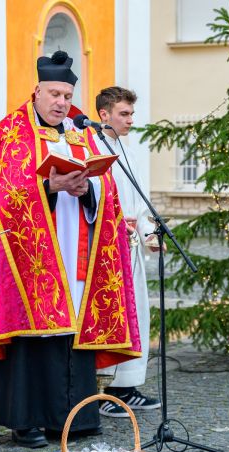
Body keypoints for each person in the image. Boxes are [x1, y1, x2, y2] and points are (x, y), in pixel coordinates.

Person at [0, 51, 141, 449]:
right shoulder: (10, 132)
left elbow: (107, 189)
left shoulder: (82, 133)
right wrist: (50, 187)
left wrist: (87, 189)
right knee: (31, 339)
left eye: (67, 94)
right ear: (37, 90)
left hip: (76, 250)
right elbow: (2, 196)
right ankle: (24, 420)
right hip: (29, 257)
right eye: (55, 93)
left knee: (72, 334)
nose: (62, 102)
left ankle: (73, 417)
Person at [93, 86, 160, 417]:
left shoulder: (127, 152)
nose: (131, 120)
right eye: (124, 114)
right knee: (112, 317)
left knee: (136, 318)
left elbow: (139, 202)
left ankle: (127, 385)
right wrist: (115, 222)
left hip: (129, 248)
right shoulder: (93, 148)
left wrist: (150, 234)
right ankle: (107, 390)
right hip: (105, 252)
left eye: (131, 114)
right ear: (104, 114)